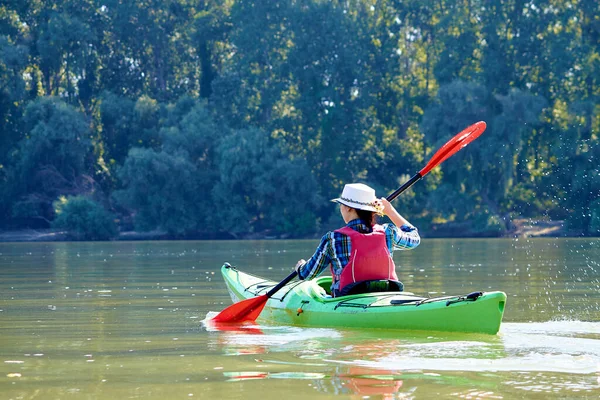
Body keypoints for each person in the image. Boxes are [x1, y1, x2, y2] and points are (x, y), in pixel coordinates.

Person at [295, 183, 420, 297]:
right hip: (385, 295)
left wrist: (300, 268)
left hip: (346, 299)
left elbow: (308, 274)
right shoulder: (388, 232)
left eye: (341, 205)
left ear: (348, 208)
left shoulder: (333, 238)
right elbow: (414, 238)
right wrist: (391, 212)